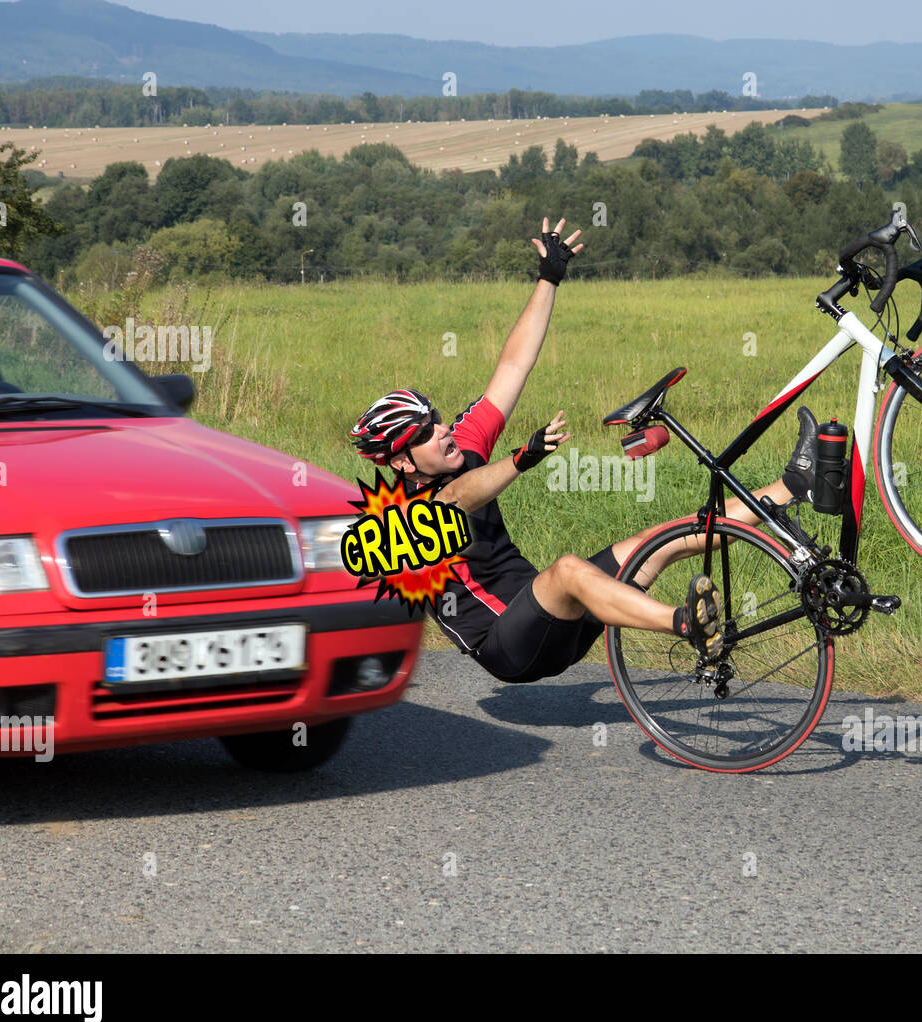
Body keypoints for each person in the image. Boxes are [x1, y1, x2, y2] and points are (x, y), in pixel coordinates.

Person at [349, 217, 820, 684]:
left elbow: (514, 364)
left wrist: (549, 279)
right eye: (424, 433)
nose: (442, 429)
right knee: (568, 570)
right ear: (401, 462)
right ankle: (685, 624)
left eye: (435, 417)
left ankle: (796, 485)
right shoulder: (399, 520)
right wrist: (521, 459)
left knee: (656, 543)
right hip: (508, 647)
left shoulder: (463, 445)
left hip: (559, 621)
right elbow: (457, 499)